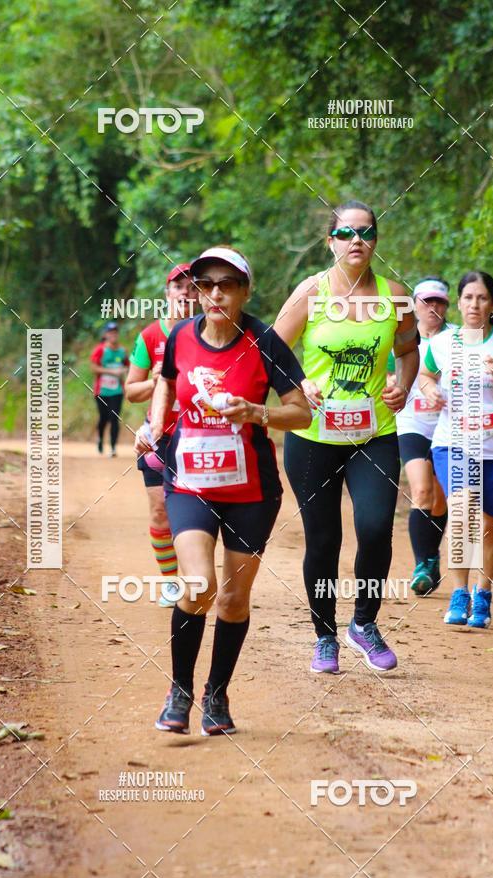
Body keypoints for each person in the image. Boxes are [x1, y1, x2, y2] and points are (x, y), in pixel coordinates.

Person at [151, 246, 311, 735]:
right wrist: (155, 422)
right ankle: (179, 691)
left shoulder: (264, 341)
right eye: (206, 285)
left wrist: (255, 412)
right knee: (198, 586)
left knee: (233, 600)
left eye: (226, 284)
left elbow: (301, 412)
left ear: (245, 291)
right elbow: (167, 380)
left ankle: (216, 695)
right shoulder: (180, 335)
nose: (215, 293)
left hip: (252, 492)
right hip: (190, 484)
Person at [274, 200, 419, 675]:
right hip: (313, 436)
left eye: (365, 231)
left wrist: (403, 383)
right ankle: (324, 636)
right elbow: (271, 351)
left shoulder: (395, 295)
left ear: (376, 239)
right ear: (330, 242)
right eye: (345, 233)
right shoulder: (311, 292)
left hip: (375, 432)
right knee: (324, 538)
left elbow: (407, 350)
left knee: (376, 527)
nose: (356, 240)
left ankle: (364, 624)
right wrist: (301, 384)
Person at [419, 271, 493, 628]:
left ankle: (483, 593)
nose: (475, 304)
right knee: (460, 514)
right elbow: (426, 376)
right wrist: (429, 390)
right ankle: (460, 593)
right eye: (469, 297)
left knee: (489, 523)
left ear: (492, 304)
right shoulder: (443, 343)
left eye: (482, 298)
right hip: (452, 442)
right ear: (458, 303)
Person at [126, 264, 198, 607]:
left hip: (200, 436)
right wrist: (156, 380)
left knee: (198, 514)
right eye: (179, 287)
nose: (186, 293)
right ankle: (171, 583)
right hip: (158, 437)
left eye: (192, 287)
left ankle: (198, 576)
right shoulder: (150, 336)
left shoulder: (209, 332)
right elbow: (131, 391)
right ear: (167, 293)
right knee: (159, 512)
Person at [387, 277, 453, 595]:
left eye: (439, 302)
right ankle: (421, 565)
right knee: (422, 492)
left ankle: (432, 556)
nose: (433, 308)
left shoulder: (458, 341)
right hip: (412, 424)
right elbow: (385, 375)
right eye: (427, 301)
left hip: (448, 427)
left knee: (440, 500)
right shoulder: (399, 339)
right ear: (413, 305)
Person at [90, 322, 129, 457]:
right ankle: (100, 439)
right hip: (102, 391)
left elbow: (129, 366)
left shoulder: (122, 351)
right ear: (106, 335)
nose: (113, 335)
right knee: (103, 418)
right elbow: (94, 368)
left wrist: (125, 371)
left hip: (117, 391)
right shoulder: (100, 350)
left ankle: (113, 447)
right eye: (110, 332)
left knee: (114, 418)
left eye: (115, 332)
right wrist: (112, 372)